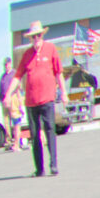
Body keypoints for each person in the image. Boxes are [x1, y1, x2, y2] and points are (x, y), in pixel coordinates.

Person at [16, 21, 65, 176]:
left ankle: (53, 164)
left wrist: (64, 92)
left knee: (50, 129)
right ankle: (39, 169)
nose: (36, 39)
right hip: (31, 101)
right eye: (33, 37)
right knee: (35, 134)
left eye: (38, 35)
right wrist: (9, 94)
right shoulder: (27, 54)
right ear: (30, 39)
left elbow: (58, 72)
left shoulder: (50, 49)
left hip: (47, 99)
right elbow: (18, 75)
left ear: (42, 35)